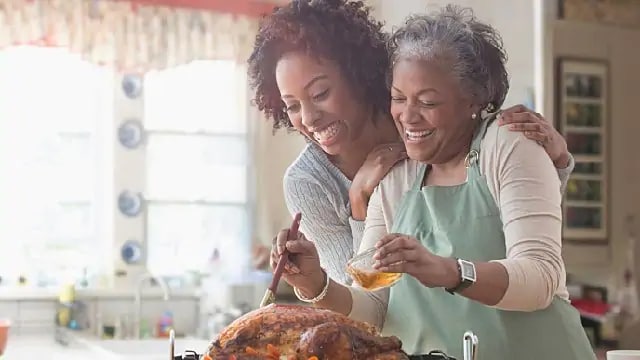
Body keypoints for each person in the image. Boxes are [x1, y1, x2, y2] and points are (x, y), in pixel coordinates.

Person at [269, 5, 597, 360]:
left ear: (472, 100)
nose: (407, 116)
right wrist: (314, 283)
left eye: (427, 101)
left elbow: (540, 277)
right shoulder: (395, 177)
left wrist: (448, 270)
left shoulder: (508, 143)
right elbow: (376, 309)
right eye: (398, 98)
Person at [248, 0, 574, 287]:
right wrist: (359, 203)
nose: (308, 118)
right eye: (292, 105)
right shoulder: (308, 182)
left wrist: (555, 163)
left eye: (320, 94)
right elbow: (357, 296)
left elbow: (515, 221)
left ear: (359, 75)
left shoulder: (421, 125)